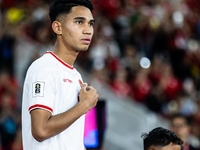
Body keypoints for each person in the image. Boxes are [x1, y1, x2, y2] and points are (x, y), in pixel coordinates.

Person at [21, 0, 99, 150]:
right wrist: (84, 105)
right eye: (79, 22)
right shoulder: (43, 68)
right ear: (58, 27)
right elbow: (41, 130)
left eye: (90, 24)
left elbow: (71, 139)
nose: (88, 30)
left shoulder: (76, 76)